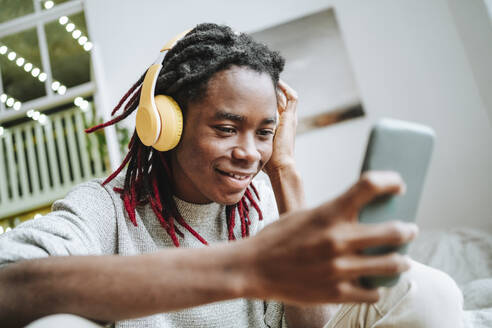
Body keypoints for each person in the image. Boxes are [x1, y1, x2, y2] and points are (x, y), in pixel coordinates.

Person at [0, 23, 463, 328]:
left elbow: (312, 326)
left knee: (429, 291)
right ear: (166, 124)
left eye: (265, 133)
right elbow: (8, 286)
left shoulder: (258, 211)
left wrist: (284, 170)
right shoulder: (108, 210)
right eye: (226, 129)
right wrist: (247, 268)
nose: (248, 153)